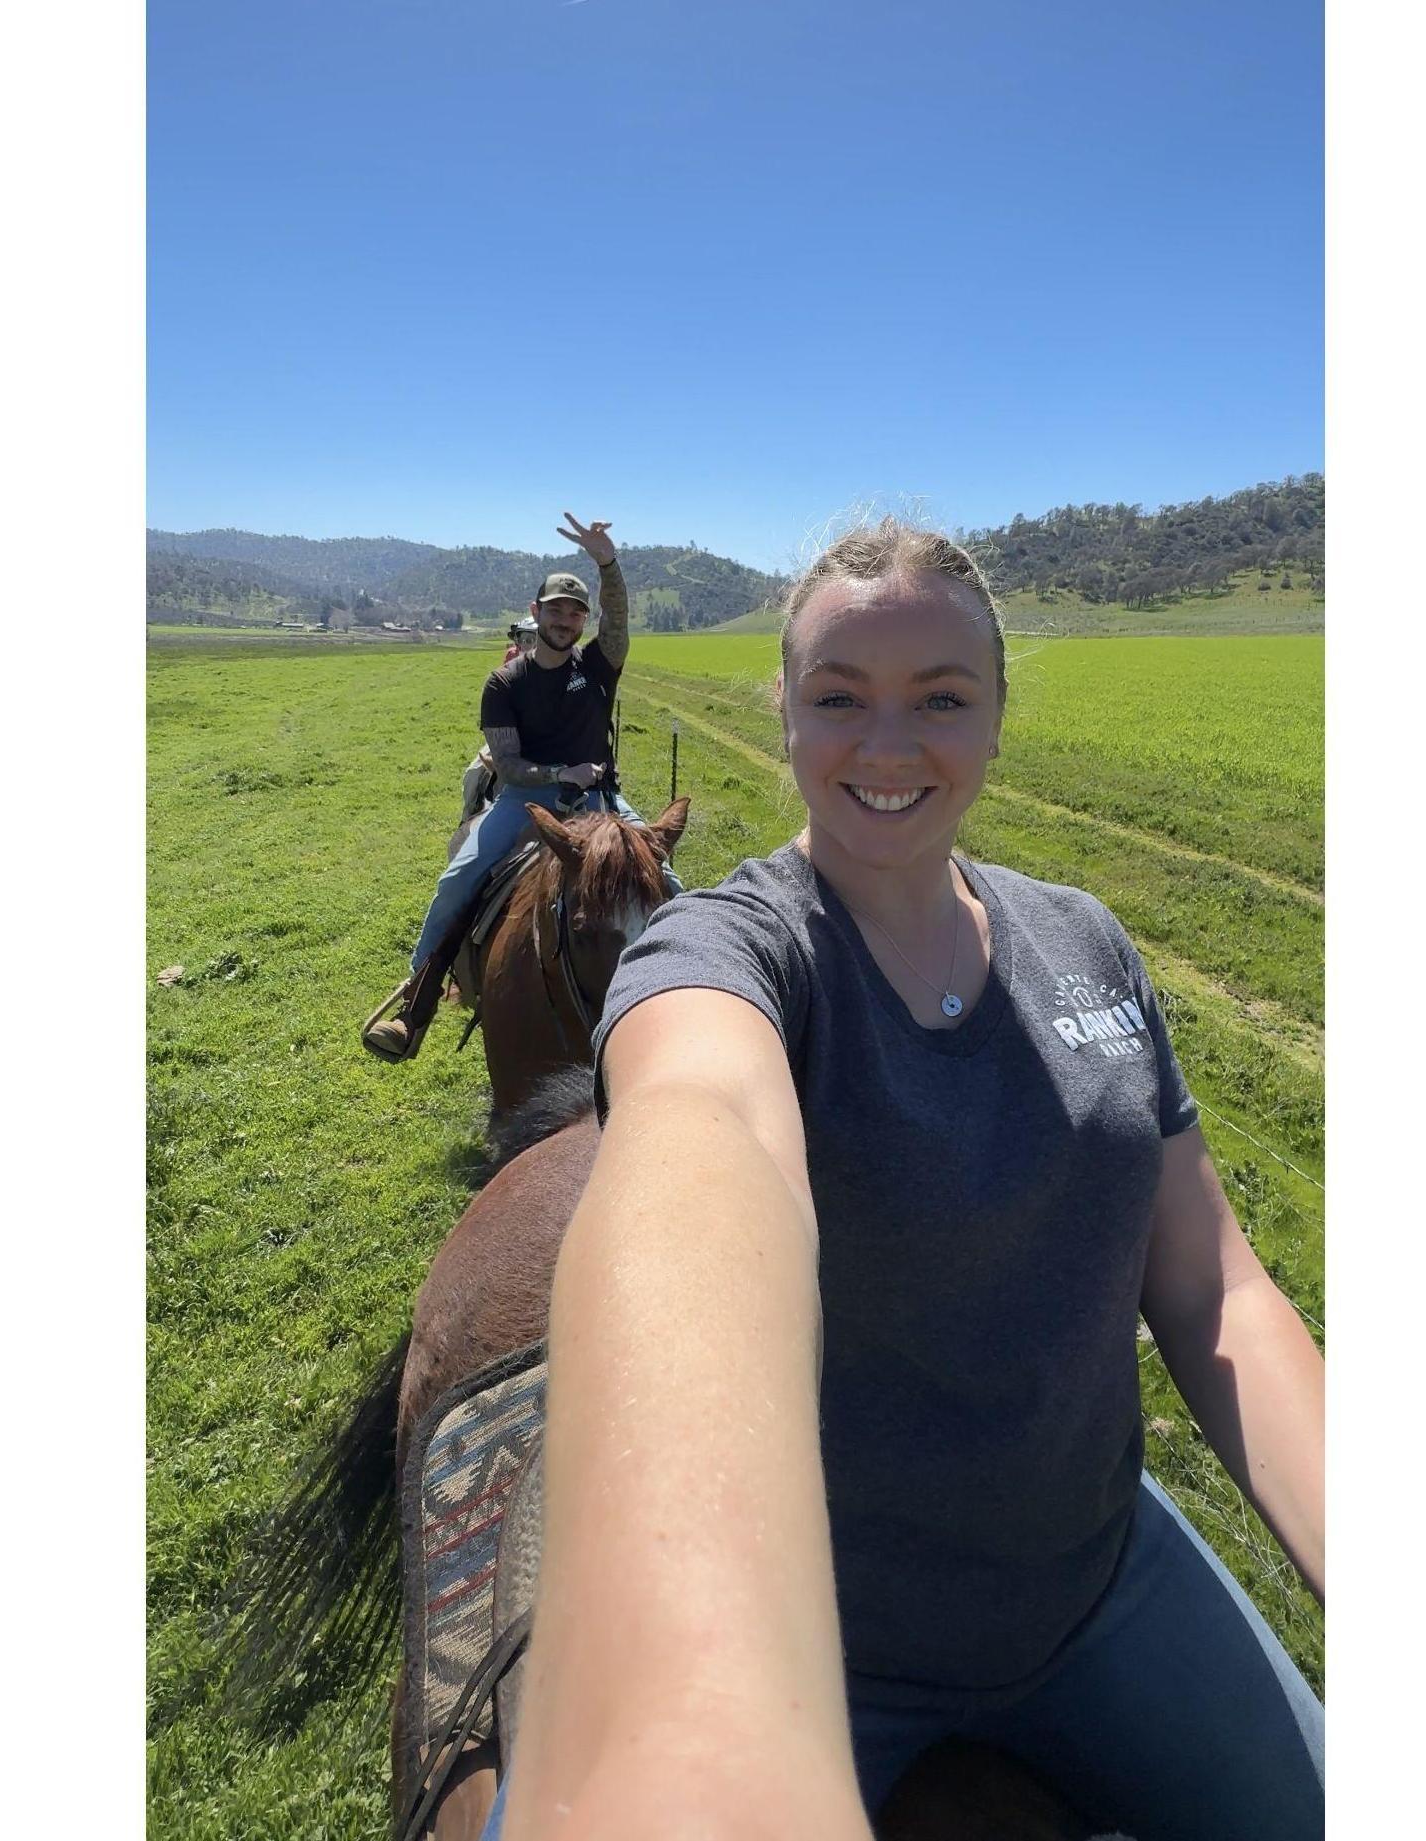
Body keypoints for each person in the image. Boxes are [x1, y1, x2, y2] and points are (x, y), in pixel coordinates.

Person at [489, 520, 1325, 1840]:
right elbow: (703, 1151)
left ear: (996, 716)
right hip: (828, 1648)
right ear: (785, 715)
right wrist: (691, 1714)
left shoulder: (1089, 945)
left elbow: (1212, 1284)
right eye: (838, 700)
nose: (886, 747)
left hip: (1098, 1578)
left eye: (939, 698)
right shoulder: (734, 949)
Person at [364, 514, 680, 1062]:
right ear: (537, 614)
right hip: (525, 801)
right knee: (459, 879)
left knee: (670, 882)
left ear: (584, 621)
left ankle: (687, 998)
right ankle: (415, 1007)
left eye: (575, 611)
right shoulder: (506, 683)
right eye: (555, 609)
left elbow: (620, 618)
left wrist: (608, 562)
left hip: (602, 800)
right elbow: (507, 765)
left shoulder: (599, 667)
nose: (565, 619)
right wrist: (561, 775)